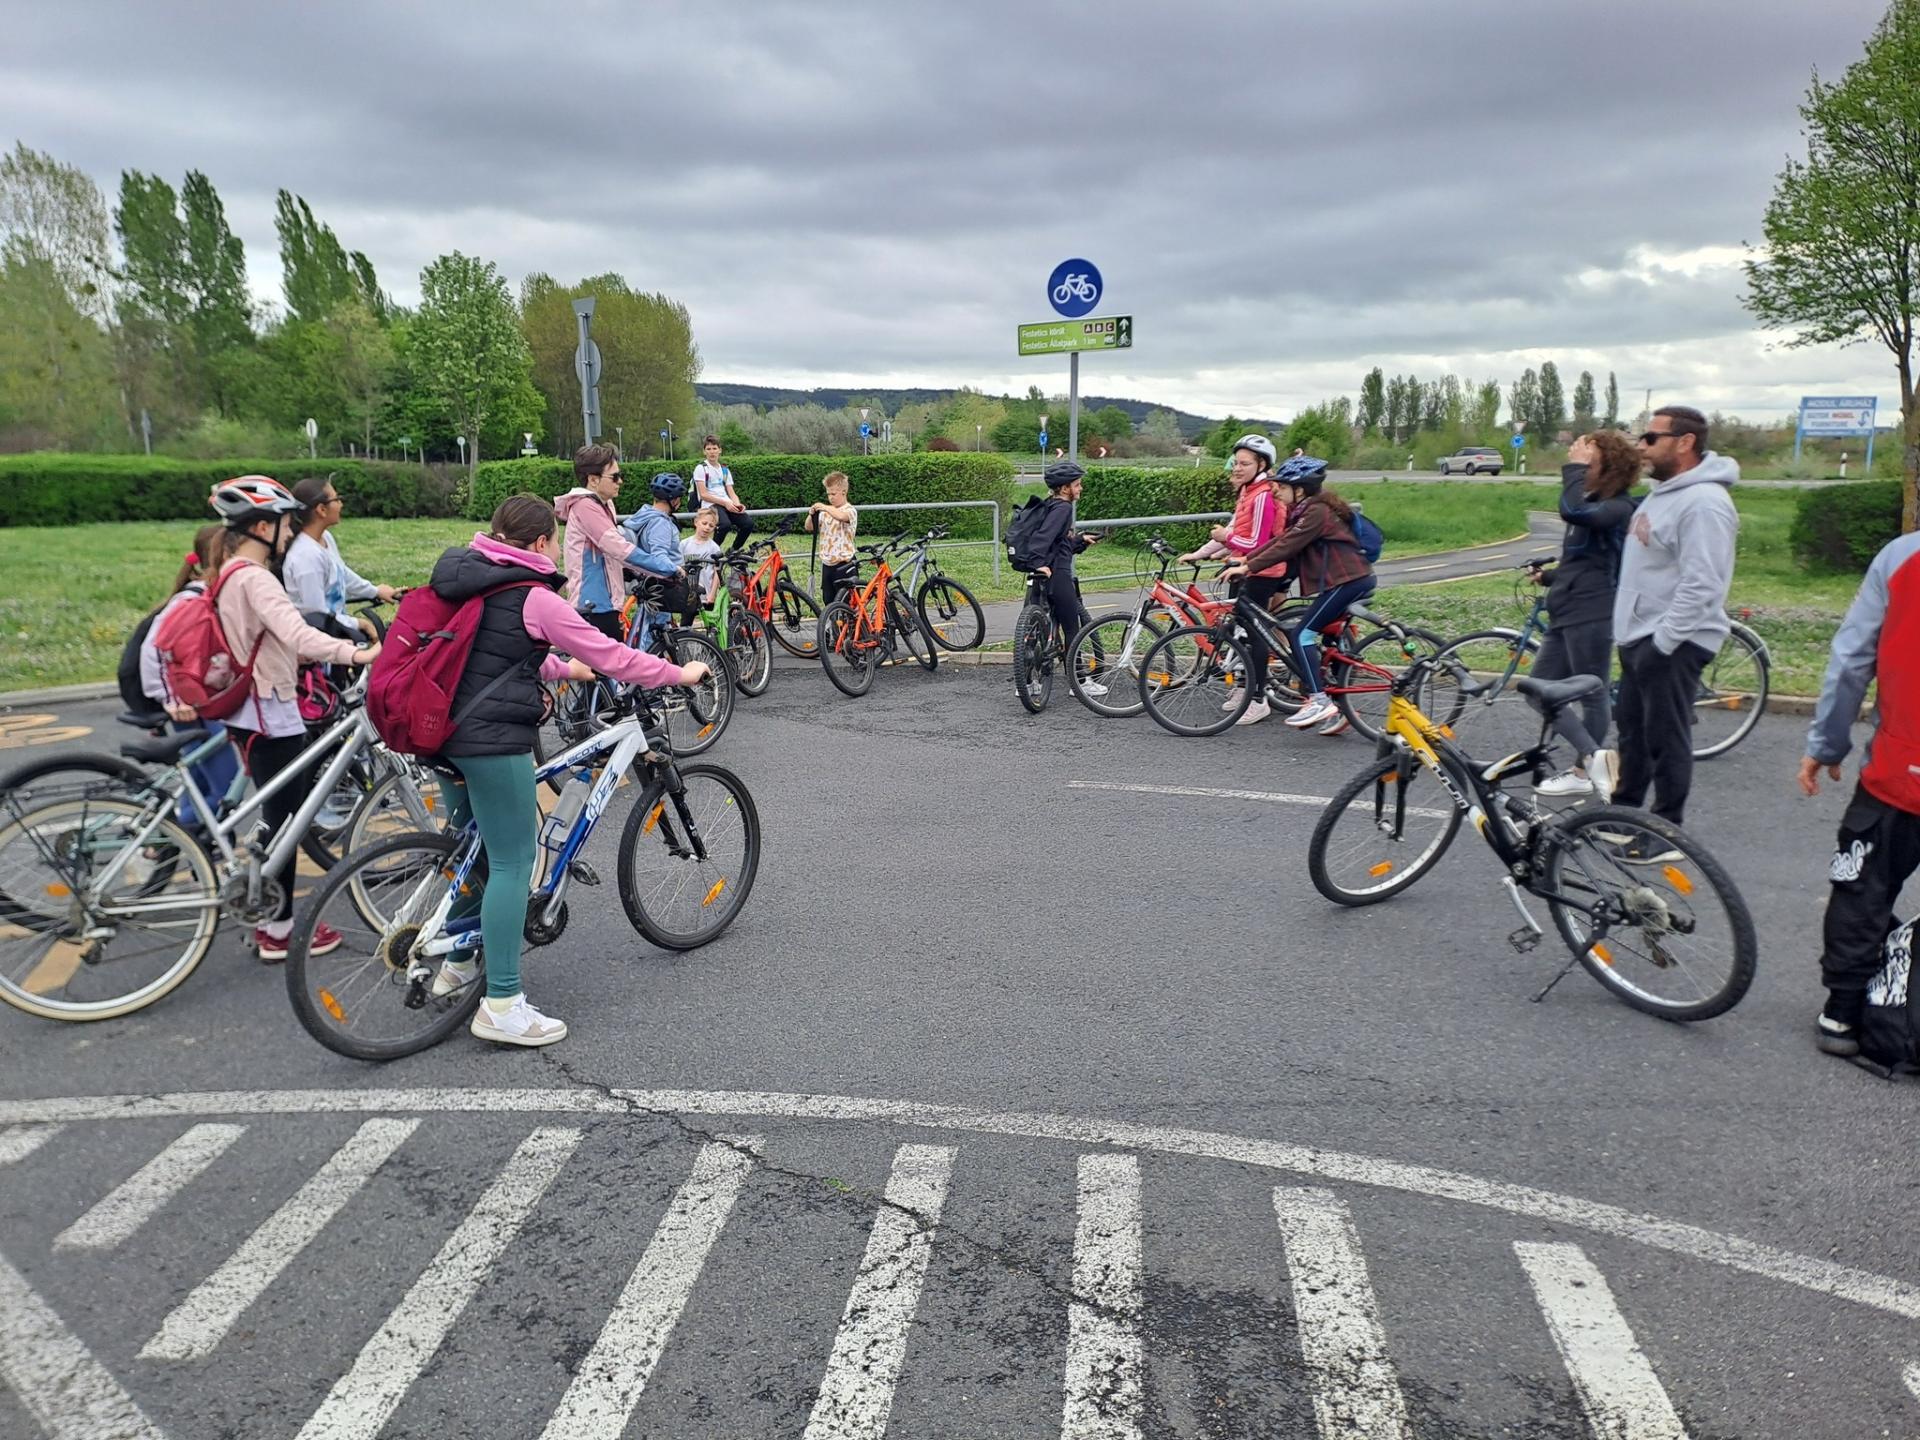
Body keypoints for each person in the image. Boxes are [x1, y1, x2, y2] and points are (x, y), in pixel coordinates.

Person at [421, 494, 710, 1047]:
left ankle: (457, 964)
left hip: (441, 730)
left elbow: (488, 653)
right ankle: (502, 1004)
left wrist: (559, 668)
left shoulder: (467, 575)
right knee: (514, 860)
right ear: (539, 543)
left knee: (475, 853)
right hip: (491, 739)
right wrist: (678, 673)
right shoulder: (533, 596)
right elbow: (613, 655)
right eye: (554, 540)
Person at [201, 477, 379, 962]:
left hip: (255, 707)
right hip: (269, 709)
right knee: (286, 823)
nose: (289, 531)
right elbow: (297, 632)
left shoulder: (232, 572)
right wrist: (356, 653)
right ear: (262, 527)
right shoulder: (255, 578)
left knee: (281, 815)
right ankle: (277, 930)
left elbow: (274, 638)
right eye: (283, 523)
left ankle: (264, 909)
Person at [1797, 526, 1920, 1057]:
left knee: (1864, 888)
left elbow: (1851, 661)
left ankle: (1842, 1013)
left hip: (1902, 770)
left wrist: (1828, 745)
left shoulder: (1902, 557)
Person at [1609, 405, 1738, 851]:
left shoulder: (1704, 504)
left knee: (1666, 737)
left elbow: (1704, 583)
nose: (1642, 447)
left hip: (1674, 641)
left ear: (1685, 443)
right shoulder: (1663, 494)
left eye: (1651, 438)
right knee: (1633, 732)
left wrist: (1663, 641)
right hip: (1640, 635)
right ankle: (1622, 815)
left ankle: (1665, 832)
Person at [1529, 430, 1641, 798]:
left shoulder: (1618, 508)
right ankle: (1594, 759)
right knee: (1537, 690)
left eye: (1588, 465)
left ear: (1610, 469)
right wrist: (1549, 577)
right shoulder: (1594, 504)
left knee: (1593, 693)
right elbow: (1582, 561)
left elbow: (1572, 509)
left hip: (1593, 611)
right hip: (1566, 609)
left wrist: (1572, 469)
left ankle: (1586, 767)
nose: (1581, 471)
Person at [1228, 456, 1375, 733]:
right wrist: (1246, 560)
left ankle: (1318, 700)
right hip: (1346, 581)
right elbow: (1281, 540)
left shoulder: (1316, 512)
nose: (1277, 491)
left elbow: (1289, 545)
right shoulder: (1309, 510)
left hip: (1348, 582)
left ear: (1300, 489)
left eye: (1283, 487)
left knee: (1301, 635)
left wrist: (1248, 566)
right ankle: (1340, 707)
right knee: (1329, 643)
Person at [136, 523, 241, 827]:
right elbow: (153, 649)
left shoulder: (212, 595)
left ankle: (187, 842)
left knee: (199, 780)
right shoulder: (192, 601)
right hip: (191, 707)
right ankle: (180, 838)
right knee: (225, 786)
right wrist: (171, 700)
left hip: (205, 701)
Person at [1182, 435, 1287, 721]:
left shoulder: (1263, 495)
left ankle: (1258, 698)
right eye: (1235, 463)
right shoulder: (1247, 491)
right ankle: (1244, 686)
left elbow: (1256, 542)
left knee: (1254, 635)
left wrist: (1224, 538)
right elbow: (1236, 531)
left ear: (1261, 464)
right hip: (1241, 568)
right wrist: (1200, 553)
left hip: (1262, 571)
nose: (1237, 468)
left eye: (1245, 463)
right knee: (1240, 631)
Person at [554, 443, 650, 641]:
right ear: (593, 480)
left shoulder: (605, 504)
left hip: (606, 601)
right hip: (593, 603)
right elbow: (619, 548)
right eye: (614, 476)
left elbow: (608, 552)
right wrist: (666, 569)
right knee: (610, 659)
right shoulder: (586, 507)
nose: (620, 481)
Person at [283, 477, 397, 641]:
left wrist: (375, 591)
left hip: (336, 630)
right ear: (322, 509)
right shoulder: (306, 557)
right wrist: (360, 624)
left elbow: (341, 572)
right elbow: (317, 617)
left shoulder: (325, 538)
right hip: (319, 640)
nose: (341, 504)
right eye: (336, 499)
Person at [1026, 460, 1103, 692]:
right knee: (1072, 628)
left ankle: (1026, 683)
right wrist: (1039, 562)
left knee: (1032, 630)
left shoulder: (1050, 504)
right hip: (1056, 573)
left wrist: (1080, 541)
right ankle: (1078, 683)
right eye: (1077, 485)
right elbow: (1044, 537)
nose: (1080, 489)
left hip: (1040, 573)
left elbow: (1057, 541)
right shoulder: (1063, 508)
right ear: (1064, 488)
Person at [620, 473, 693, 623]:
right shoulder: (660, 523)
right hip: (661, 586)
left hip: (648, 582)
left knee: (647, 625)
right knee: (656, 630)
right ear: (674, 500)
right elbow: (659, 555)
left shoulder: (644, 515)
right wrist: (676, 569)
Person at [806, 471, 859, 603]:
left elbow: (841, 516)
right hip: (827, 563)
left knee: (847, 601)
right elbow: (809, 527)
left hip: (844, 563)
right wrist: (811, 515)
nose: (830, 497)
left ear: (844, 492)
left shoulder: (850, 510)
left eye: (834, 494)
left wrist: (824, 507)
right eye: (828, 494)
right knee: (828, 600)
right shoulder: (825, 513)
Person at [693, 436, 753, 551]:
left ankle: (733, 551)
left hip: (726, 503)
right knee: (724, 525)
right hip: (710, 504)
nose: (712, 452)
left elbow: (731, 492)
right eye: (708, 449)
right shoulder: (701, 468)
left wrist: (737, 504)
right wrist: (725, 503)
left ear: (720, 450)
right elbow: (704, 494)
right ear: (704, 451)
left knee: (748, 524)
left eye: (714, 448)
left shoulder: (725, 470)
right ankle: (710, 553)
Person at [679, 505, 724, 622]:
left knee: (711, 625)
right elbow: (680, 569)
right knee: (685, 624)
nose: (707, 527)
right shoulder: (684, 544)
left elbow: (716, 573)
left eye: (711, 526)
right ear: (696, 522)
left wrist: (712, 594)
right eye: (704, 523)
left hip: (706, 596)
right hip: (688, 595)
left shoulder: (714, 548)